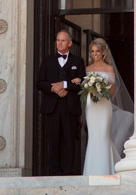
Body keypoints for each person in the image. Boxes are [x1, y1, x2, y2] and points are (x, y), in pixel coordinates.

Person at [79, 38, 134, 175]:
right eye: (92, 51)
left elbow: (111, 91)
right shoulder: (87, 69)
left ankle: (106, 169)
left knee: (103, 136)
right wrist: (90, 89)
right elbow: (84, 89)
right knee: (93, 137)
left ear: (103, 52)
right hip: (91, 107)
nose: (94, 54)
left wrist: (99, 89)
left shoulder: (109, 69)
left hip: (104, 106)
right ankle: (92, 171)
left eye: (97, 51)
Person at [36, 29, 86, 175]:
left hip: (70, 108)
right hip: (52, 107)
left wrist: (64, 85)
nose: (59, 43)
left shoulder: (78, 61)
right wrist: (54, 89)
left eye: (63, 40)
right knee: (53, 141)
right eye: (58, 40)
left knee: (70, 142)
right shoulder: (47, 60)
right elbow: (39, 83)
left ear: (69, 43)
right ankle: (54, 173)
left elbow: (82, 83)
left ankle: (70, 172)